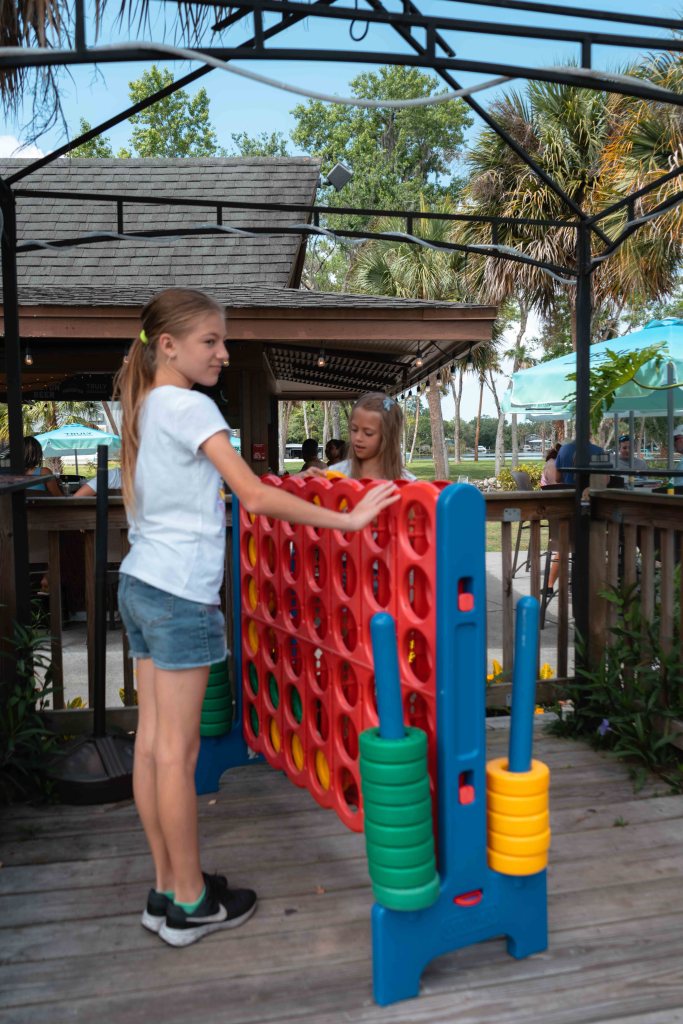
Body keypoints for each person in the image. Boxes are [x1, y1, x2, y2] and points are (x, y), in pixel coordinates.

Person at [113, 288, 398, 949]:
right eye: (210, 340)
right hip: (179, 592)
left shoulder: (148, 406)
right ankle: (190, 902)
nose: (222, 351)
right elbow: (253, 492)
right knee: (175, 757)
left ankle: (166, 889)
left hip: (140, 584)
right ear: (169, 346)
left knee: (153, 749)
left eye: (222, 339)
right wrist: (349, 518)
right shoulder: (188, 405)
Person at [328, 392, 416, 480]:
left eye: (368, 433)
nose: (358, 437)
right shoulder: (335, 474)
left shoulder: (407, 483)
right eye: (354, 429)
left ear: (388, 437)